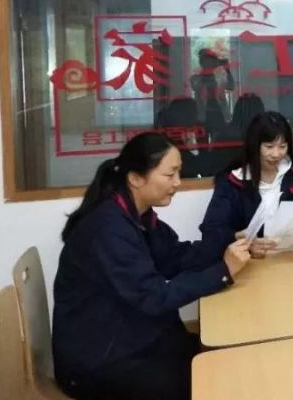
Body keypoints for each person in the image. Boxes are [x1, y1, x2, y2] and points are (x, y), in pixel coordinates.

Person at [52, 132, 250, 400]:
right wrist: (223, 272)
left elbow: (176, 257)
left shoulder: (138, 215)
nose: (177, 182)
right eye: (169, 174)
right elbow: (155, 297)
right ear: (135, 178)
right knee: (209, 381)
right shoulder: (108, 229)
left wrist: (231, 242)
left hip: (133, 335)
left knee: (225, 357)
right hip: (98, 361)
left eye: (179, 172)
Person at [198, 111, 293, 262]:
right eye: (269, 146)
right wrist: (242, 240)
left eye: (282, 146)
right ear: (254, 146)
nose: (276, 154)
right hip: (250, 265)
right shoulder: (232, 182)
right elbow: (210, 234)